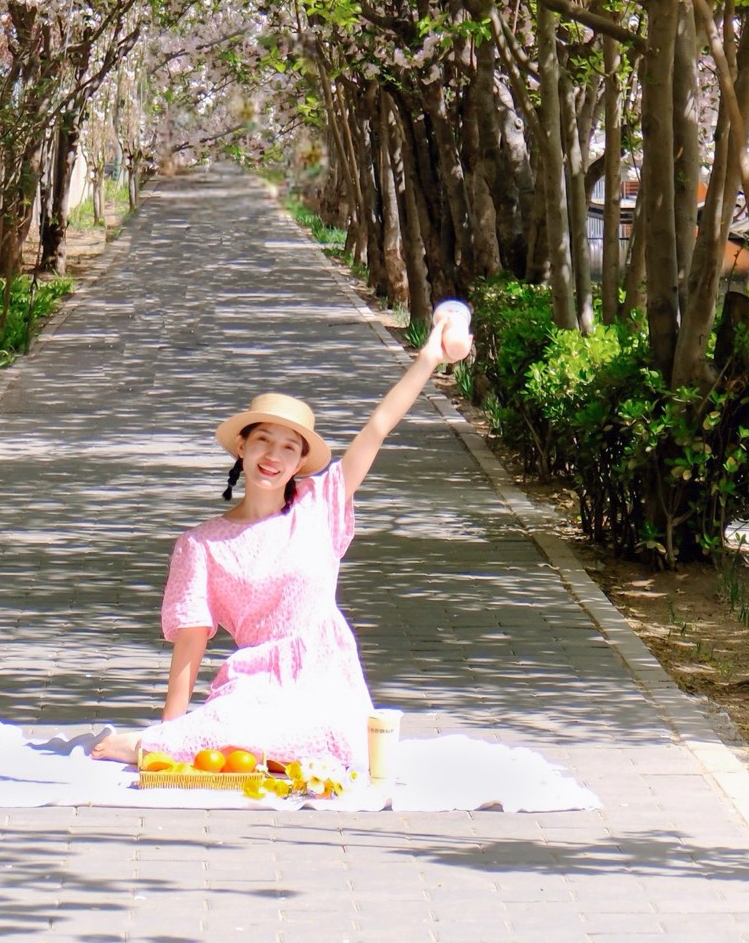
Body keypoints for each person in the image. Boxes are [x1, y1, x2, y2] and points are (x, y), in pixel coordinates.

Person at [91, 313, 472, 775]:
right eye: (263, 441)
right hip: (254, 685)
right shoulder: (201, 546)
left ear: (300, 462)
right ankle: (162, 743)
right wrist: (168, 737)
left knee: (335, 747)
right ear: (242, 448)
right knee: (233, 733)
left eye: (289, 448)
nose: (273, 456)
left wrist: (429, 357)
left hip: (326, 681)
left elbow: (378, 428)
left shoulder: (322, 505)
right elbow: (189, 647)